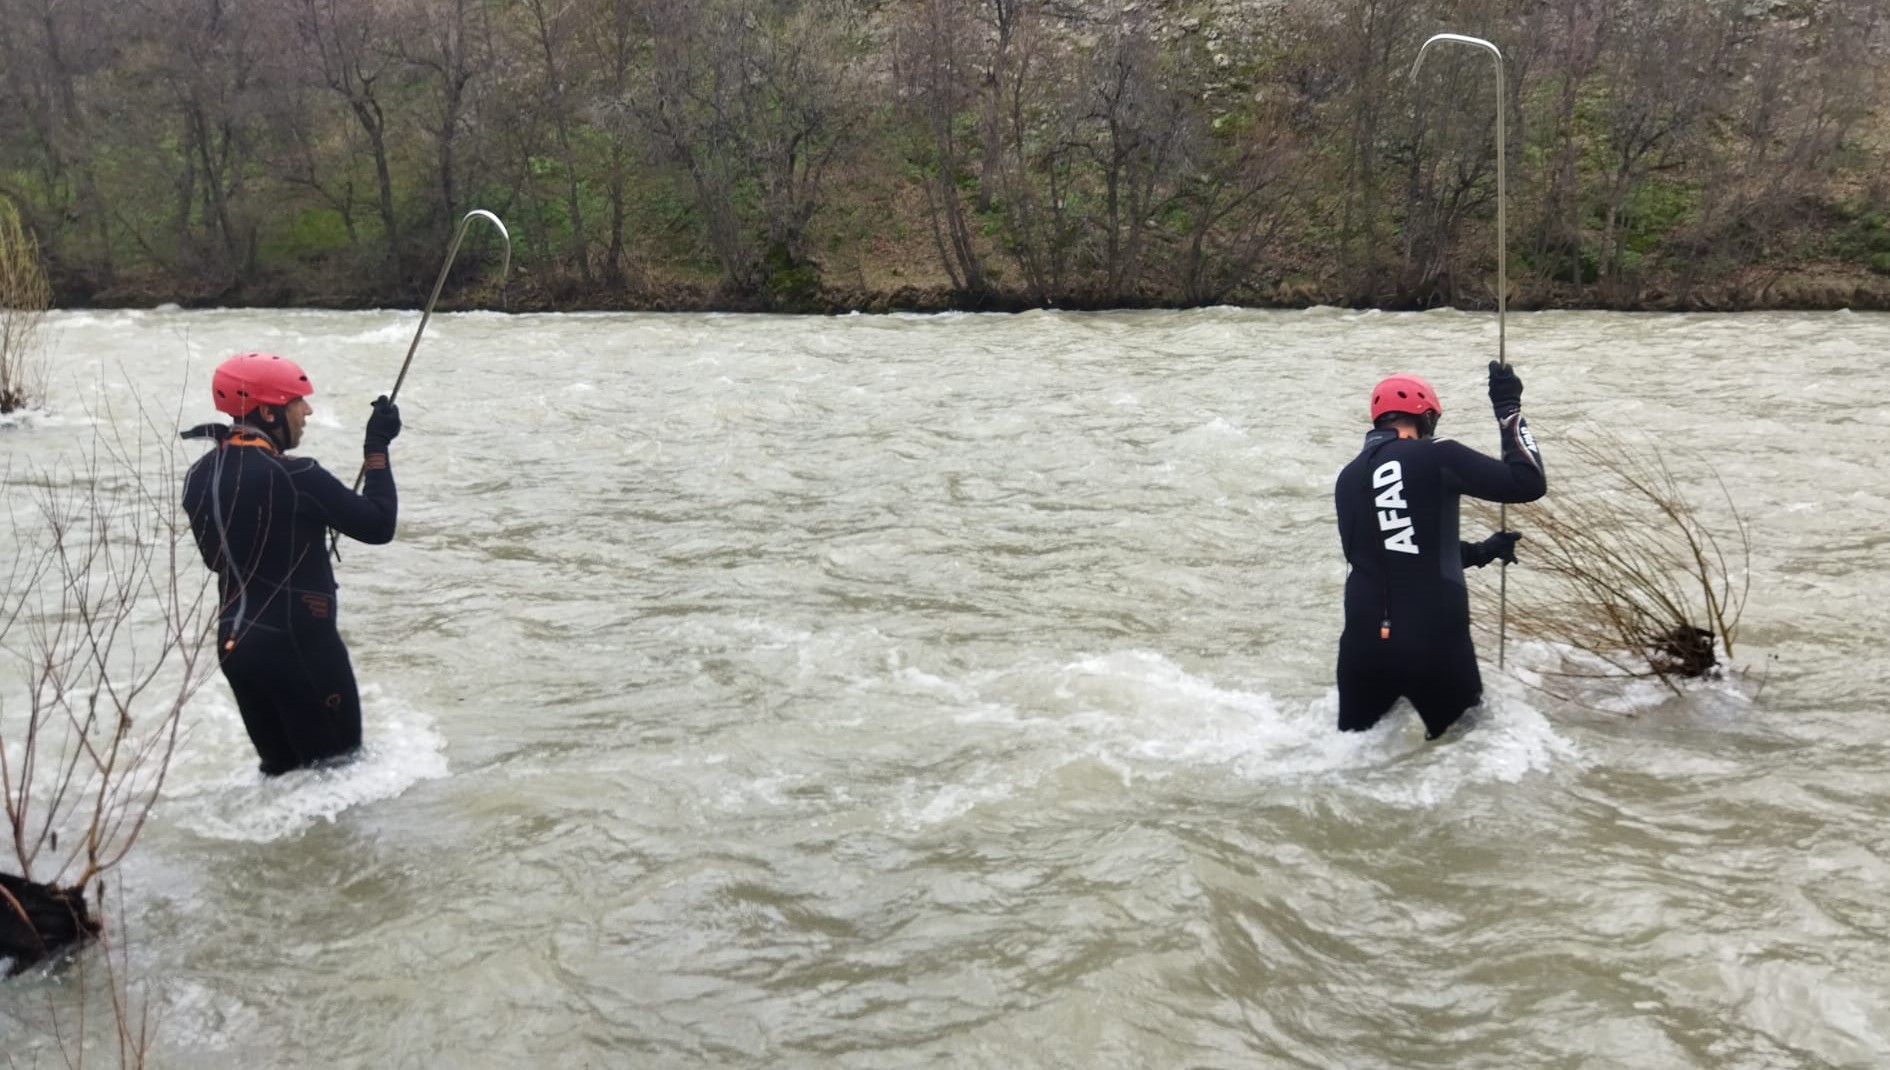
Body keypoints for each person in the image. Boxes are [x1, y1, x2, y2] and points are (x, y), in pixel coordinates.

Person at [181, 352, 402, 775]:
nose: (308, 411)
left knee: (283, 779)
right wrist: (377, 448)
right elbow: (378, 525)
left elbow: (217, 560)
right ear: (267, 412)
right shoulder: (297, 475)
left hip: (235, 647)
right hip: (299, 644)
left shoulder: (198, 475)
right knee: (343, 778)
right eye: (297, 401)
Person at [1332, 361, 1545, 739]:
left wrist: (1482, 551)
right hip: (1431, 641)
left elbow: (1398, 555)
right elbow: (1526, 482)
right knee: (1471, 749)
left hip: (1362, 647)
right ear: (1426, 416)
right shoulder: (1436, 453)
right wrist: (1508, 407)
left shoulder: (1348, 478)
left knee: (1357, 758)